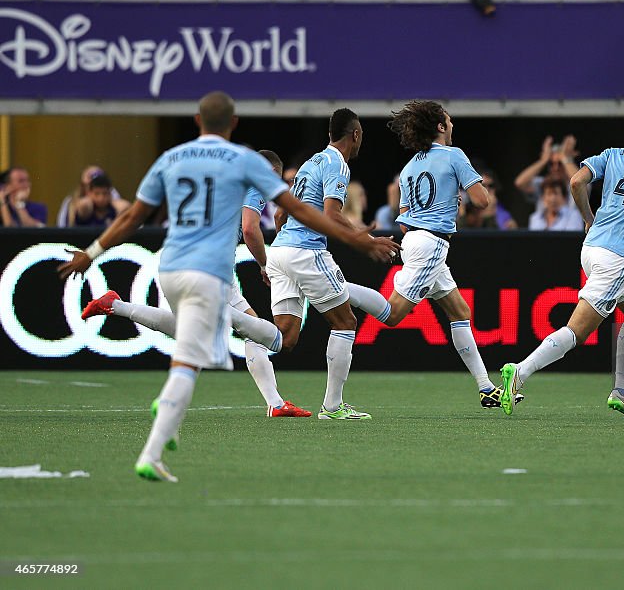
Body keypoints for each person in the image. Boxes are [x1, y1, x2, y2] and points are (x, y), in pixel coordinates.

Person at [58, 92, 399, 483]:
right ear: (233, 123)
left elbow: (134, 216)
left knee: (264, 339)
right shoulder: (245, 161)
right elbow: (295, 211)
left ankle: (157, 438)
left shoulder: (172, 158)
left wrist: (92, 251)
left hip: (168, 263)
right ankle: (161, 436)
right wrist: (359, 240)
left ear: (196, 121)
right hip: (210, 269)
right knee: (195, 358)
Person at [79, 150, 315, 418]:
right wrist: (264, 265)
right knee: (258, 335)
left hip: (184, 260)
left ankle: (275, 403)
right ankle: (121, 308)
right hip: (204, 268)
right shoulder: (257, 180)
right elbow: (250, 229)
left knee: (236, 330)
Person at [498, 106, 624, 418]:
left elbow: (575, 182)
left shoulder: (614, 153)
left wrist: (588, 218)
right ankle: (519, 372)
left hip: (592, 247)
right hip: (618, 257)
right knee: (577, 332)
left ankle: (622, 391)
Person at [341, 100, 524, 408]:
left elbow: (402, 215)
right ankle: (337, 287)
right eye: (449, 121)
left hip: (414, 239)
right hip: (432, 244)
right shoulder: (454, 155)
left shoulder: (409, 166)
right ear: (440, 127)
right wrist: (465, 186)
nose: (452, 126)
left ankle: (486, 388)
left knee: (459, 313)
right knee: (392, 314)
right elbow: (482, 201)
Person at [265, 108, 400, 421]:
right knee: (345, 323)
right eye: (362, 134)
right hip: (306, 252)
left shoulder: (312, 161)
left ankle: (234, 321)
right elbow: (331, 214)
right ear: (355, 134)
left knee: (285, 336)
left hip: (281, 250)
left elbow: (280, 214)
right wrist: (366, 240)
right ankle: (333, 407)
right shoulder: (337, 164)